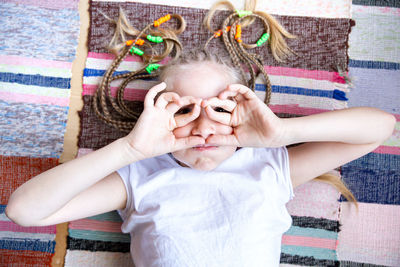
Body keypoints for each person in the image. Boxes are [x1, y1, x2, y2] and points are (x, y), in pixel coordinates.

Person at [5, 1, 396, 265]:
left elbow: (380, 128)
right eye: (185, 110)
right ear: (157, 117)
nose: (204, 126)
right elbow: (24, 211)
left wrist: (281, 133)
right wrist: (129, 149)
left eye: (220, 110)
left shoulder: (272, 166)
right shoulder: (139, 175)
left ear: (243, 115)